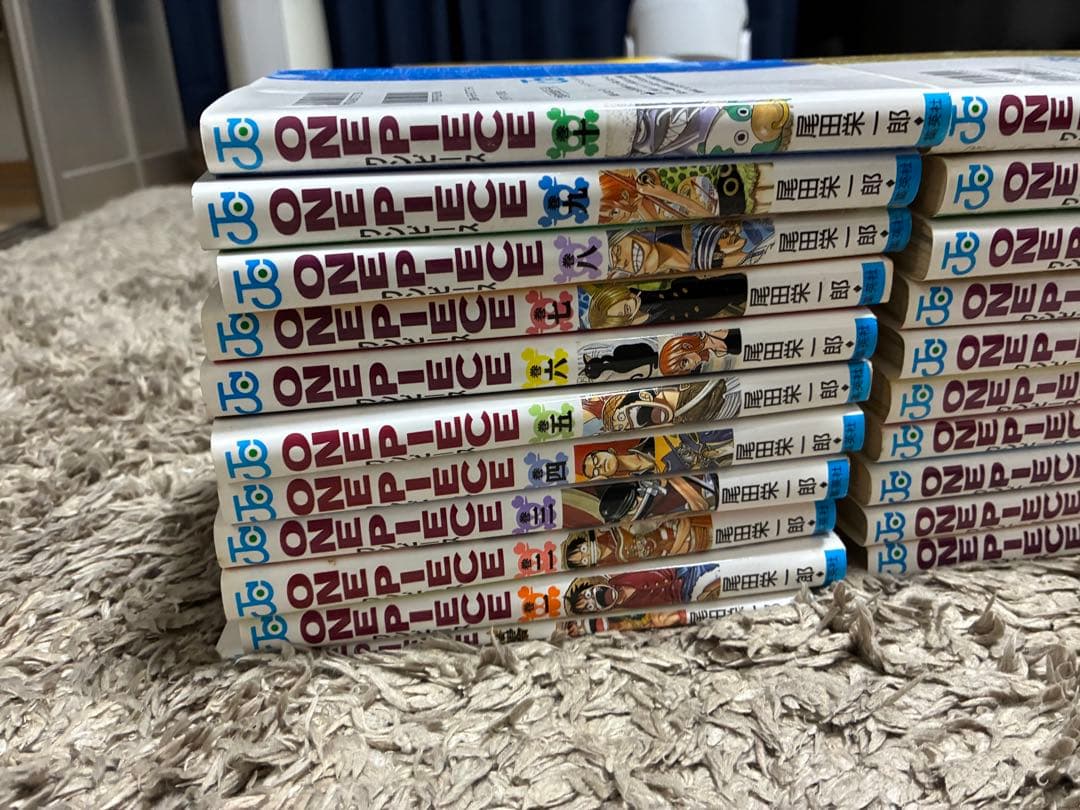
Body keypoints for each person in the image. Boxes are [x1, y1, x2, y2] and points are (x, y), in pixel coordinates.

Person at [584, 273, 748, 329]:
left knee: (737, 285)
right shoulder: (643, 327)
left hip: (698, 287)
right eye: (625, 312)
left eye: (624, 299)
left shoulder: (639, 288)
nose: (630, 303)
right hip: (705, 311)